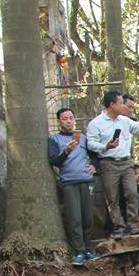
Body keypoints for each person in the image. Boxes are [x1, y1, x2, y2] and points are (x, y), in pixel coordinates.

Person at [86, 90, 139, 238]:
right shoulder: (95, 123)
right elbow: (91, 144)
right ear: (112, 105)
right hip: (108, 162)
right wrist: (105, 146)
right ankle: (118, 226)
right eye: (121, 103)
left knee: (132, 193)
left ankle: (133, 224)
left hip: (126, 162)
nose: (124, 106)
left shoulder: (124, 121)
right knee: (112, 197)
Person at [48, 107, 96, 266]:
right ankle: (79, 251)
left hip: (86, 180)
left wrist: (94, 166)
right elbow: (54, 161)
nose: (68, 121)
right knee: (75, 218)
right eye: (64, 119)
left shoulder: (82, 137)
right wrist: (66, 151)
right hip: (69, 182)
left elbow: (95, 155)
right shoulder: (54, 140)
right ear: (59, 121)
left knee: (88, 217)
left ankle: (89, 249)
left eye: (70, 118)